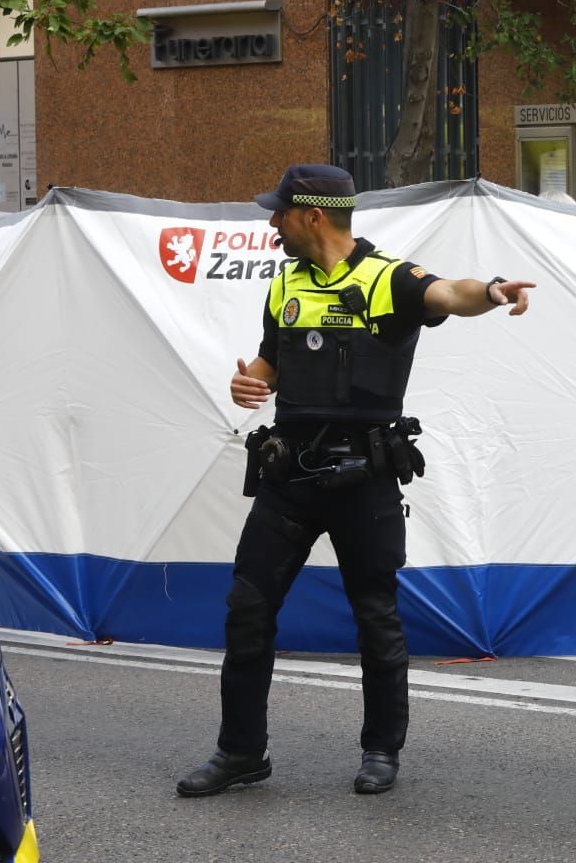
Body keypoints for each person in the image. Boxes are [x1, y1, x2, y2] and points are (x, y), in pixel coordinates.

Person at [177, 164, 534, 799]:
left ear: (312, 216)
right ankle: (240, 753)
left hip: (364, 477)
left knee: (375, 616)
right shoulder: (285, 280)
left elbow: (451, 293)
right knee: (247, 610)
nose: (271, 222)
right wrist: (251, 380)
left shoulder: (389, 279)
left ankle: (380, 750)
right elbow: (272, 358)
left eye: (279, 212)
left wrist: (496, 289)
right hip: (290, 476)